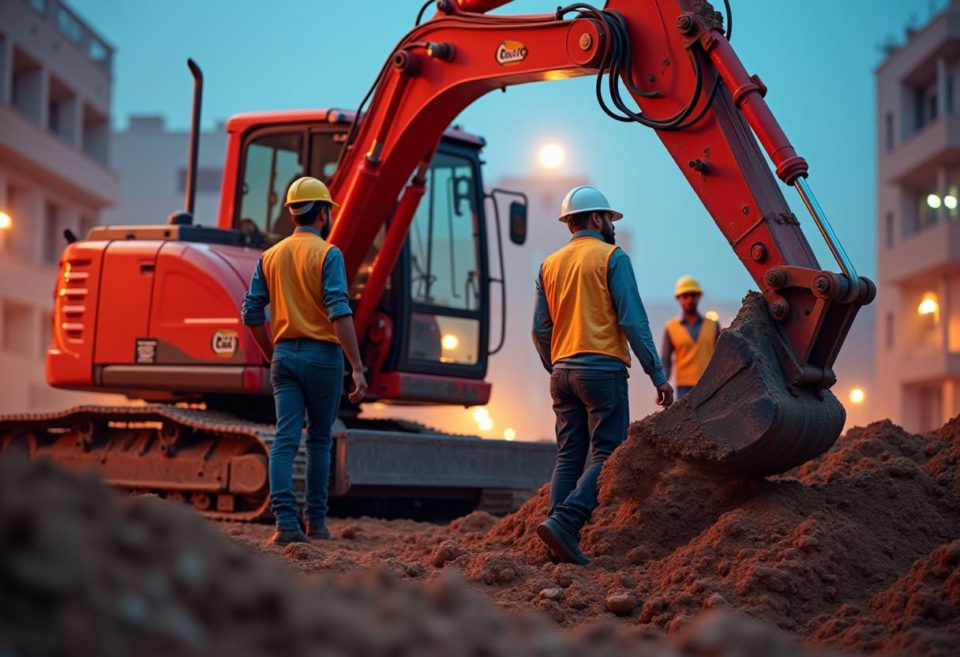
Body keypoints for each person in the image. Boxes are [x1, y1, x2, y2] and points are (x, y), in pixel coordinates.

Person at [532, 185, 673, 565]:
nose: (611, 224)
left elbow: (539, 330)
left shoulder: (549, 265)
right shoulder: (613, 257)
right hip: (602, 370)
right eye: (609, 217)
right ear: (596, 218)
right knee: (607, 454)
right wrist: (657, 374)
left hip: (561, 372)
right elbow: (632, 320)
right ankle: (566, 523)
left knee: (568, 456)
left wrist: (558, 365)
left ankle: (555, 538)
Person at [242, 176, 367, 546]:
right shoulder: (329, 254)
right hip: (323, 358)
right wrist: (356, 366)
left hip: (284, 356)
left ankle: (285, 523)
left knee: (284, 440)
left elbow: (251, 314)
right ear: (324, 213)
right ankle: (316, 523)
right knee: (318, 441)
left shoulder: (270, 255)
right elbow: (339, 312)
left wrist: (272, 355)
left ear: (293, 213)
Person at [660, 276, 719, 399]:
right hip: (684, 388)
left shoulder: (713, 325)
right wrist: (662, 384)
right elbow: (666, 361)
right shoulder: (671, 328)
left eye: (693, 295)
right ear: (679, 298)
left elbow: (720, 356)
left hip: (709, 385)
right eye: (685, 296)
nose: (689, 300)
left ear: (699, 296)